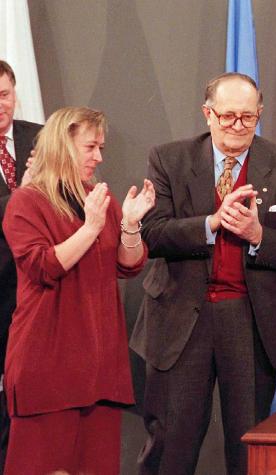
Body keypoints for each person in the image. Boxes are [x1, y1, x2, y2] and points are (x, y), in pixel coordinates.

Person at [131, 72, 276, 474]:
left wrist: (259, 234)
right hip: (182, 320)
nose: (237, 126)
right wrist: (211, 224)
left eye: (247, 118)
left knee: (249, 446)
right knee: (171, 445)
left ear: (259, 115)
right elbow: (153, 234)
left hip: (250, 322)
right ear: (207, 114)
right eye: (228, 116)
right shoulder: (170, 159)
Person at [1, 106, 155, 474]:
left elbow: (128, 264)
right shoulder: (27, 202)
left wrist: (131, 225)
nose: (99, 157)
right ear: (62, 145)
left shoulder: (96, 197)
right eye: (90, 147)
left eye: (101, 147)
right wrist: (89, 228)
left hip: (99, 363)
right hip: (48, 362)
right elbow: (43, 267)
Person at [0, 59, 43, 472]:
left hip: (41, 287)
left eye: (4, 94)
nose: (0, 105)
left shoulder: (42, 138)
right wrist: (23, 196)